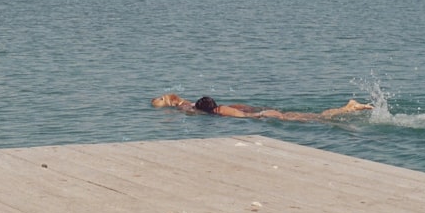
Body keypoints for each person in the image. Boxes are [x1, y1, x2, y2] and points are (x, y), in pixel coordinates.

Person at [152, 93, 372, 120]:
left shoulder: (219, 111)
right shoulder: (218, 107)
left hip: (265, 115)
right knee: (313, 116)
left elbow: (241, 115)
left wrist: (260, 116)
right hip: (261, 111)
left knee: (316, 118)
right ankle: (347, 108)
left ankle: (348, 108)